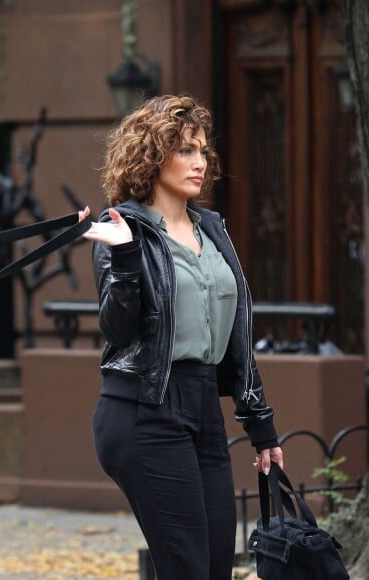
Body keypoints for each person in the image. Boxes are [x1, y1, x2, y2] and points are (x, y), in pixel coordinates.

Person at [78, 94, 283, 580]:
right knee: (187, 567)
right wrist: (125, 260)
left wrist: (260, 424)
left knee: (215, 568)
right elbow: (118, 330)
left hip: (202, 407)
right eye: (186, 150)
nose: (200, 162)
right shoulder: (121, 230)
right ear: (152, 156)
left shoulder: (212, 229)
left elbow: (235, 333)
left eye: (204, 151)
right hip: (143, 410)